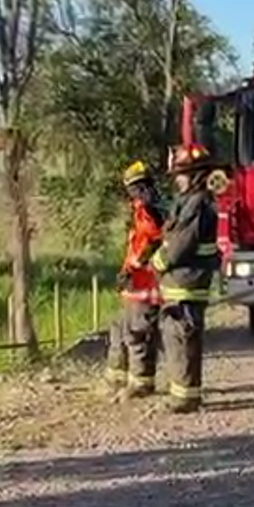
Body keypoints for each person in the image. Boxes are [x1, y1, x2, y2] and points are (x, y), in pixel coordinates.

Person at [142, 143, 220, 414]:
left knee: (181, 339)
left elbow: (180, 244)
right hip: (182, 284)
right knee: (178, 340)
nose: (177, 180)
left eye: (181, 174)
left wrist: (157, 263)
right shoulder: (191, 202)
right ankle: (183, 395)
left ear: (196, 175)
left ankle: (184, 399)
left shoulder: (197, 204)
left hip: (187, 285)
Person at [105, 160, 165, 397]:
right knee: (122, 329)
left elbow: (153, 241)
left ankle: (141, 384)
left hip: (144, 283)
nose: (132, 194)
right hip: (135, 282)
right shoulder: (145, 209)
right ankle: (118, 380)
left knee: (138, 332)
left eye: (134, 188)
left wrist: (133, 267)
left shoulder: (148, 210)